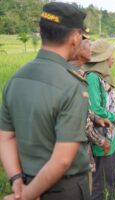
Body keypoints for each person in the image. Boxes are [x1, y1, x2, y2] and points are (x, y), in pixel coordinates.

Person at [0, 2, 90, 199]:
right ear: (75, 38)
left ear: (41, 31)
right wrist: (27, 196)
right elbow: (63, 160)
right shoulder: (72, 85)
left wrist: (17, 181)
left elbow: (5, 137)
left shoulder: (16, 80)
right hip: (63, 190)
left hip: (26, 182)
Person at [83, 39, 115, 200]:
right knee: (101, 180)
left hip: (110, 134)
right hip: (100, 134)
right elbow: (96, 109)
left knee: (110, 176)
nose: (113, 58)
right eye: (111, 55)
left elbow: (112, 102)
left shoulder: (104, 77)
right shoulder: (93, 78)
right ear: (104, 59)